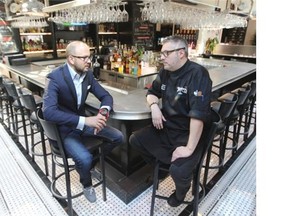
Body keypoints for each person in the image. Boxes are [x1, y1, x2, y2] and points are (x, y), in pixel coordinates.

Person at [129, 35, 212, 207]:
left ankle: (182, 190)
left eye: (166, 53)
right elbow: (152, 93)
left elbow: (198, 115)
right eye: (161, 54)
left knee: (179, 171)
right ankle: (160, 169)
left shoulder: (198, 74)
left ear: (181, 53)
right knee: (135, 139)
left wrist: (189, 149)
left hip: (190, 133)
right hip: (167, 129)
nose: (161, 57)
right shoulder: (165, 72)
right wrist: (154, 107)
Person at [42, 41, 124, 203]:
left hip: (85, 124)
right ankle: (86, 183)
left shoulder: (88, 74)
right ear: (71, 59)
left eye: (90, 57)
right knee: (84, 158)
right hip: (65, 129)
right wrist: (85, 120)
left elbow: (106, 96)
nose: (89, 61)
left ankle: (89, 165)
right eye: (84, 58)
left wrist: (104, 112)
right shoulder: (55, 78)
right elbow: (48, 112)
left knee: (118, 137)